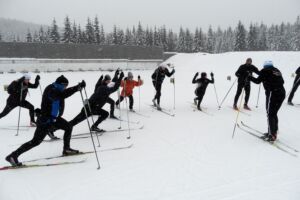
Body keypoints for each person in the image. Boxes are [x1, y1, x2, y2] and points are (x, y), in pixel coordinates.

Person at [5, 75, 86, 166]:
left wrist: (77, 88)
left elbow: (62, 96)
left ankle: (66, 149)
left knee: (68, 127)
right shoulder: (51, 90)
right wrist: (76, 88)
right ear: (61, 84)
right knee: (35, 142)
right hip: (45, 120)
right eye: (65, 86)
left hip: (54, 119)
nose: (65, 88)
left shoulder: (57, 89)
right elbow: (61, 95)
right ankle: (13, 156)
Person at [249, 61, 285, 142]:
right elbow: (283, 81)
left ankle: (272, 135)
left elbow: (257, 81)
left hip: (273, 93)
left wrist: (249, 77)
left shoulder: (265, 71)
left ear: (265, 66)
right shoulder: (276, 70)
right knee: (273, 113)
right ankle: (273, 131)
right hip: (282, 92)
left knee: (270, 113)